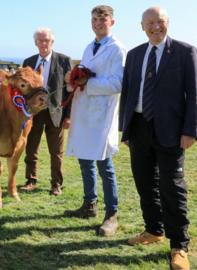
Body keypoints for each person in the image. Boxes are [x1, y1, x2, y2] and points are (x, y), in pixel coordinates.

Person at [119, 7, 197, 270]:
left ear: (168, 23)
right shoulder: (134, 55)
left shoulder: (184, 51)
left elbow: (196, 93)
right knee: (145, 184)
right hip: (139, 128)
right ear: (141, 26)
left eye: (160, 22)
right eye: (150, 23)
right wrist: (126, 128)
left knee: (172, 188)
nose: (156, 27)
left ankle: (179, 246)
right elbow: (128, 92)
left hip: (172, 132)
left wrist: (191, 130)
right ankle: (153, 230)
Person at [63, 5, 126, 237]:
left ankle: (112, 214)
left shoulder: (117, 49)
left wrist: (87, 84)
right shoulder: (90, 47)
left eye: (103, 18)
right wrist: (74, 80)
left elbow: (117, 84)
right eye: (94, 19)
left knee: (104, 165)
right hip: (85, 112)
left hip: (102, 115)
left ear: (112, 22)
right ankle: (89, 204)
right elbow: (84, 73)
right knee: (85, 161)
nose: (98, 22)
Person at [20, 27, 71, 195]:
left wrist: (68, 116)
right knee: (31, 148)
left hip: (56, 112)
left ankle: (56, 184)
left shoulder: (64, 60)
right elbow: (22, 89)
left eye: (47, 40)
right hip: (33, 113)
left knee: (56, 152)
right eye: (40, 40)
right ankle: (31, 180)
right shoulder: (28, 61)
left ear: (52, 42)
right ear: (36, 43)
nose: (43, 43)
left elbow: (70, 90)